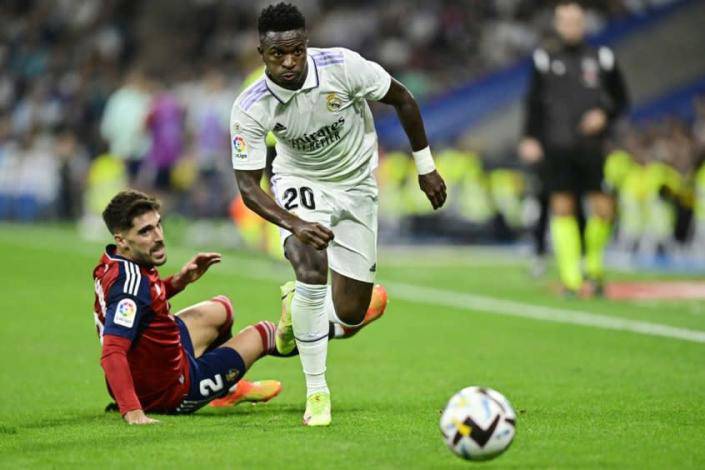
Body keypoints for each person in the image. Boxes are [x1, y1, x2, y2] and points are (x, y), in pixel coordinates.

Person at [230, 3, 446, 426]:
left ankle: (300, 312)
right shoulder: (251, 105)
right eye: (278, 54)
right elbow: (247, 186)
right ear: (262, 53)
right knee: (309, 265)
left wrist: (426, 167)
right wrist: (295, 224)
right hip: (300, 183)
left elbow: (403, 98)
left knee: (350, 312)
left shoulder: (343, 66)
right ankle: (317, 393)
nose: (289, 62)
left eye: (296, 50)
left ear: (306, 43)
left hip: (358, 187)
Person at [92, 189, 286, 424]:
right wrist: (132, 411)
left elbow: (142, 301)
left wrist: (178, 282)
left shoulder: (114, 262)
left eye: (158, 225)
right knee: (265, 333)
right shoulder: (129, 286)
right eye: (145, 231)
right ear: (121, 239)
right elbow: (112, 351)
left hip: (153, 365)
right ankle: (334, 328)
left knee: (220, 309)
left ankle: (227, 389)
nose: (158, 236)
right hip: (169, 391)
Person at [518, 0, 628, 295]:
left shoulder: (602, 57)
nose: (571, 26)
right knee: (562, 206)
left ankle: (593, 268)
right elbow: (533, 103)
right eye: (565, 21)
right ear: (557, 24)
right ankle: (570, 278)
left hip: (592, 146)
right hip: (557, 146)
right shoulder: (544, 58)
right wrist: (529, 137)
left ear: (584, 23)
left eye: (576, 21)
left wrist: (604, 114)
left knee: (603, 208)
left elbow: (621, 99)